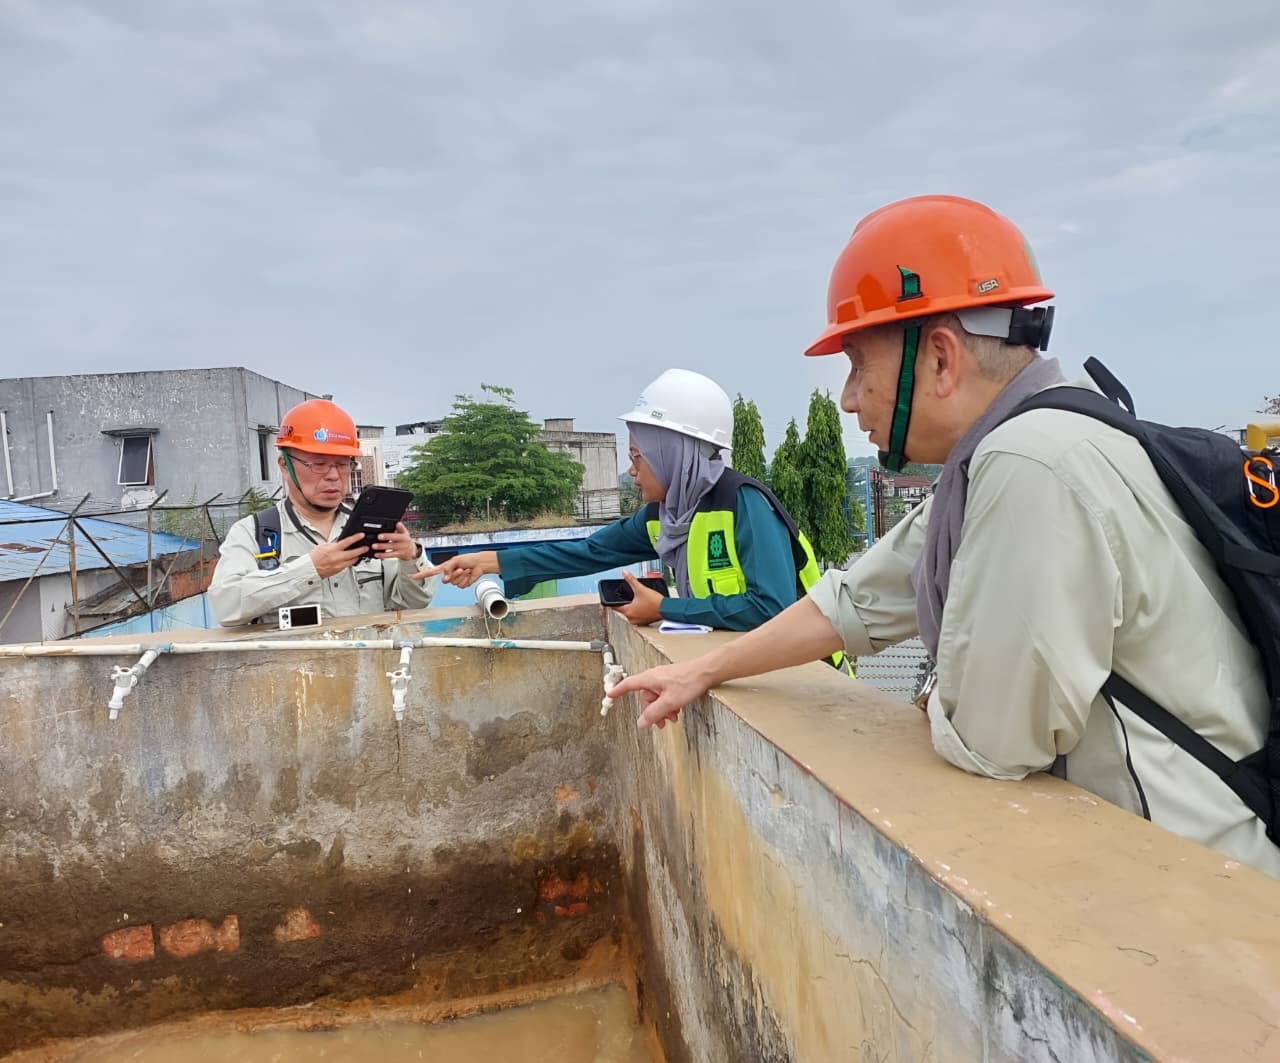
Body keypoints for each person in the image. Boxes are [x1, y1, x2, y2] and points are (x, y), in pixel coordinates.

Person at [608, 194, 1280, 878]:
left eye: (858, 364)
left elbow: (991, 743)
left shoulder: (1031, 464)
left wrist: (939, 694)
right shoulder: (999, 460)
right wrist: (701, 670)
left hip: (1205, 885)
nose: (847, 397)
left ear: (940, 359)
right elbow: (850, 602)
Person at [418, 370, 848, 668]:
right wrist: (489, 561)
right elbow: (585, 552)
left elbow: (770, 607)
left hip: (812, 678)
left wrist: (664, 607)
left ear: (674, 455)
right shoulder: (665, 515)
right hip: (752, 670)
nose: (631, 471)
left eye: (640, 458)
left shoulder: (744, 504)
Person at [209, 398, 437, 626]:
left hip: (368, 661)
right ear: (284, 465)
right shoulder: (255, 533)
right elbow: (226, 607)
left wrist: (410, 556)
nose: (333, 475)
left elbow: (413, 603)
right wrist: (310, 569)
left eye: (342, 464)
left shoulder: (371, 532)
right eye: (319, 464)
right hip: (293, 663)